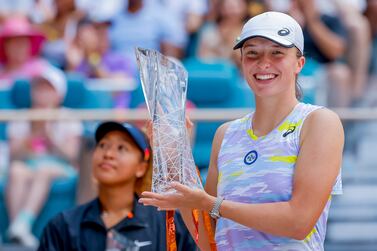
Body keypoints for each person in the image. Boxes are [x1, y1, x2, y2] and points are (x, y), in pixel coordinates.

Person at [140, 11, 344, 251]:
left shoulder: (319, 122)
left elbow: (299, 222)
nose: (263, 62)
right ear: (242, 62)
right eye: (252, 54)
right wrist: (172, 158)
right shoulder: (225, 134)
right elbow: (209, 241)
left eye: (277, 53)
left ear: (299, 63)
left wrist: (212, 204)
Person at [37, 121, 197, 250]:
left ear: (141, 167)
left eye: (122, 148)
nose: (108, 154)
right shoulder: (63, 225)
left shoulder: (168, 225)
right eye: (102, 145)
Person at [6, 63, 83, 248]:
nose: (42, 94)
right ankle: (18, 228)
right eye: (38, 89)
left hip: (58, 167)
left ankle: (22, 224)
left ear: (59, 94)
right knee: (16, 170)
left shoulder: (69, 117)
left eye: (48, 89)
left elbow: (72, 156)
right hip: (28, 165)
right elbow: (13, 156)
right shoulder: (21, 117)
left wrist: (50, 137)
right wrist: (32, 134)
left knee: (44, 170)